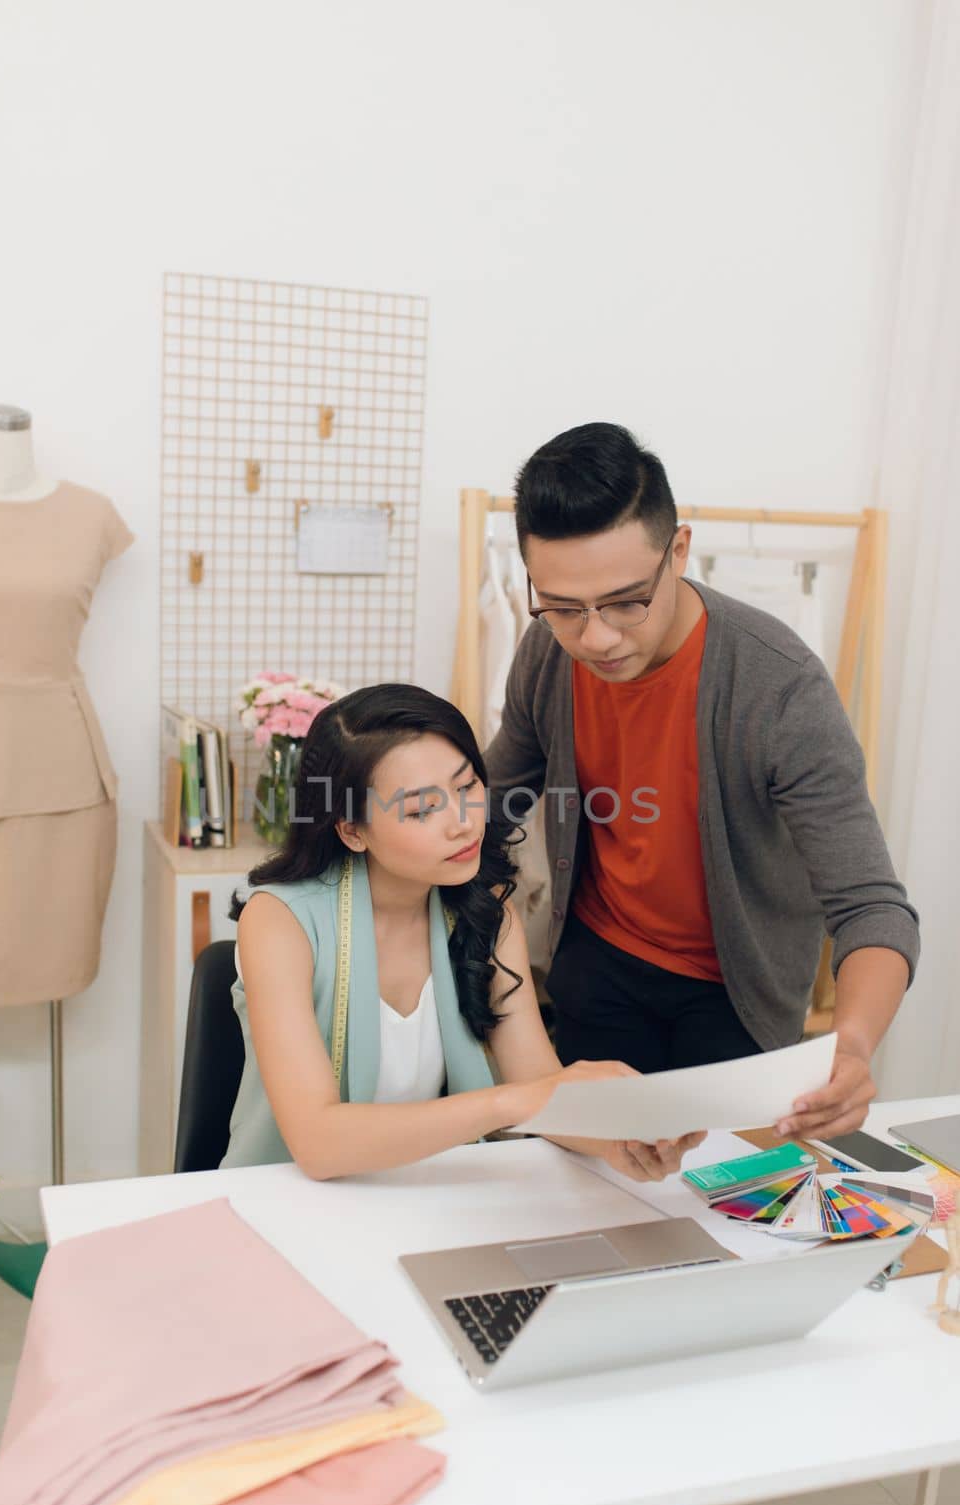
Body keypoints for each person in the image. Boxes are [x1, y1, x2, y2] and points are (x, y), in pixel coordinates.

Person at [485, 422, 918, 1145]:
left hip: (735, 994)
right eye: (563, 607)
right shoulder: (545, 653)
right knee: (589, 1188)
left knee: (727, 1202)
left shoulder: (779, 688)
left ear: (678, 551)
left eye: (626, 601)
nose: (595, 637)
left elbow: (872, 907)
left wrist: (853, 1046)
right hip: (598, 964)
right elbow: (494, 801)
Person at [221, 682, 703, 1184]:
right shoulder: (280, 920)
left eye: (467, 786)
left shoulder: (488, 911)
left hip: (430, 1197)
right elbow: (317, 1144)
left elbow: (540, 1088)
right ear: (353, 831)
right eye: (421, 810)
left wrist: (622, 1142)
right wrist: (513, 1102)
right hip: (284, 1204)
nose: (463, 824)